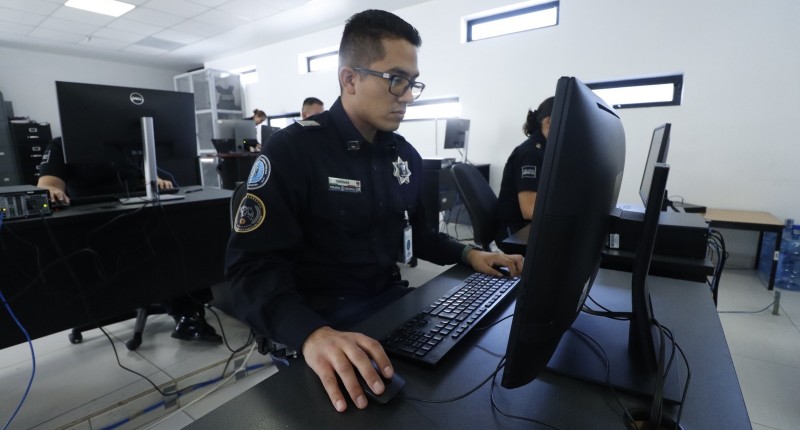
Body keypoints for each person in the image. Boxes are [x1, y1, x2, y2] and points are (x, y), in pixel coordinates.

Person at [225, 9, 523, 413]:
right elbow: (249, 268)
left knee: (468, 379)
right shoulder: (294, 151)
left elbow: (419, 234)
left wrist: (470, 254)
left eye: (413, 83)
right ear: (350, 79)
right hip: (319, 323)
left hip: (388, 307)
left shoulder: (405, 156)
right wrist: (312, 335)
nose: (408, 96)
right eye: (396, 80)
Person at [37, 137, 222, 343]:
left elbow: (144, 177)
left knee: (183, 233)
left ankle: (189, 317)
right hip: (95, 227)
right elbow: (47, 184)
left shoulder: (126, 142)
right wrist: (52, 191)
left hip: (140, 215)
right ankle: (184, 310)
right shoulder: (62, 144)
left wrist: (155, 181)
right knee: (164, 243)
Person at [495, 97, 554, 249]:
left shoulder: (544, 150)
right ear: (548, 121)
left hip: (526, 226)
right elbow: (529, 210)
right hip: (514, 232)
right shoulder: (530, 154)